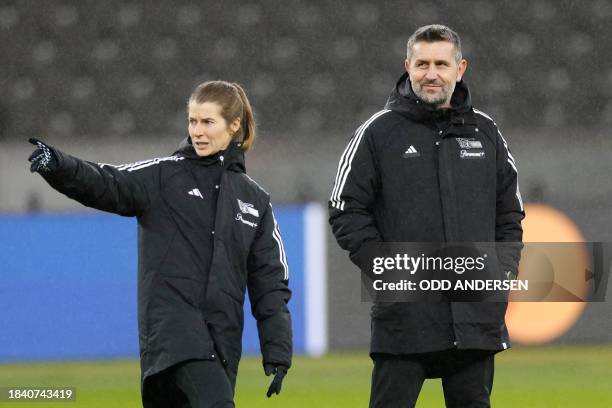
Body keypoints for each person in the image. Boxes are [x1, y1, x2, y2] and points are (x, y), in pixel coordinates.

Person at [28, 81, 292, 408]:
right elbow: (106, 182)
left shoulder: (255, 201)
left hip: (222, 343)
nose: (198, 131)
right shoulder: (163, 176)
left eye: (208, 122)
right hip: (173, 338)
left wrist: (277, 351)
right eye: (193, 121)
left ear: (234, 125)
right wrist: (58, 164)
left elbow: (270, 283)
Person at [329, 25, 524, 407]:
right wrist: (388, 267)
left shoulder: (486, 132)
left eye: (440, 64)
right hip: (405, 318)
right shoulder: (377, 133)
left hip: (473, 319)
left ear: (460, 68)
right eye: (422, 64)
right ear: (407, 66)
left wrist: (500, 273)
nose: (431, 73)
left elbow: (510, 212)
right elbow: (344, 209)